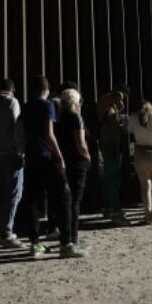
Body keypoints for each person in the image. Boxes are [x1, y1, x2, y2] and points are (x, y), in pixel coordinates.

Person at [15, 76, 72, 257]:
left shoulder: (25, 107)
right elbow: (49, 134)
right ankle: (66, 242)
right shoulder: (47, 106)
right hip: (47, 156)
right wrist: (60, 157)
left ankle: (35, 243)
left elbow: (21, 132)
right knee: (62, 198)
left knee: (31, 201)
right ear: (47, 89)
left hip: (31, 157)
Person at [0, 79, 24, 247]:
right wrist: (20, 151)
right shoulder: (12, 102)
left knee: (0, 193)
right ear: (12, 90)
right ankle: (8, 231)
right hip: (11, 153)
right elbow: (17, 128)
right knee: (14, 193)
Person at [55, 87, 91, 257]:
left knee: (65, 201)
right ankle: (73, 239)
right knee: (75, 202)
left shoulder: (60, 117)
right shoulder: (76, 117)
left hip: (64, 161)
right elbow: (80, 143)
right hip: (77, 162)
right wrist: (88, 156)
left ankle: (67, 237)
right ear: (75, 102)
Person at [96, 88, 130, 225]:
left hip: (113, 144)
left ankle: (108, 206)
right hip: (108, 144)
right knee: (112, 175)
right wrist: (118, 96)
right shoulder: (104, 102)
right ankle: (114, 206)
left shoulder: (113, 106)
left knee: (111, 175)